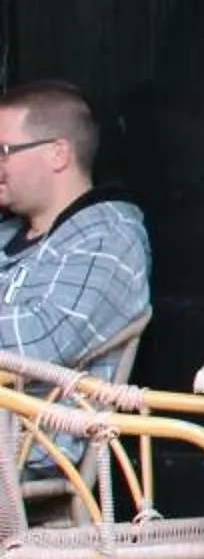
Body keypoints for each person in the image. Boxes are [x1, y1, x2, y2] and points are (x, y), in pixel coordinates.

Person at [0, 79, 152, 478]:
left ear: (58, 153)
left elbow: (39, 342)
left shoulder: (107, 238)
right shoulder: (8, 231)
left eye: (5, 151)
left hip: (28, 446)